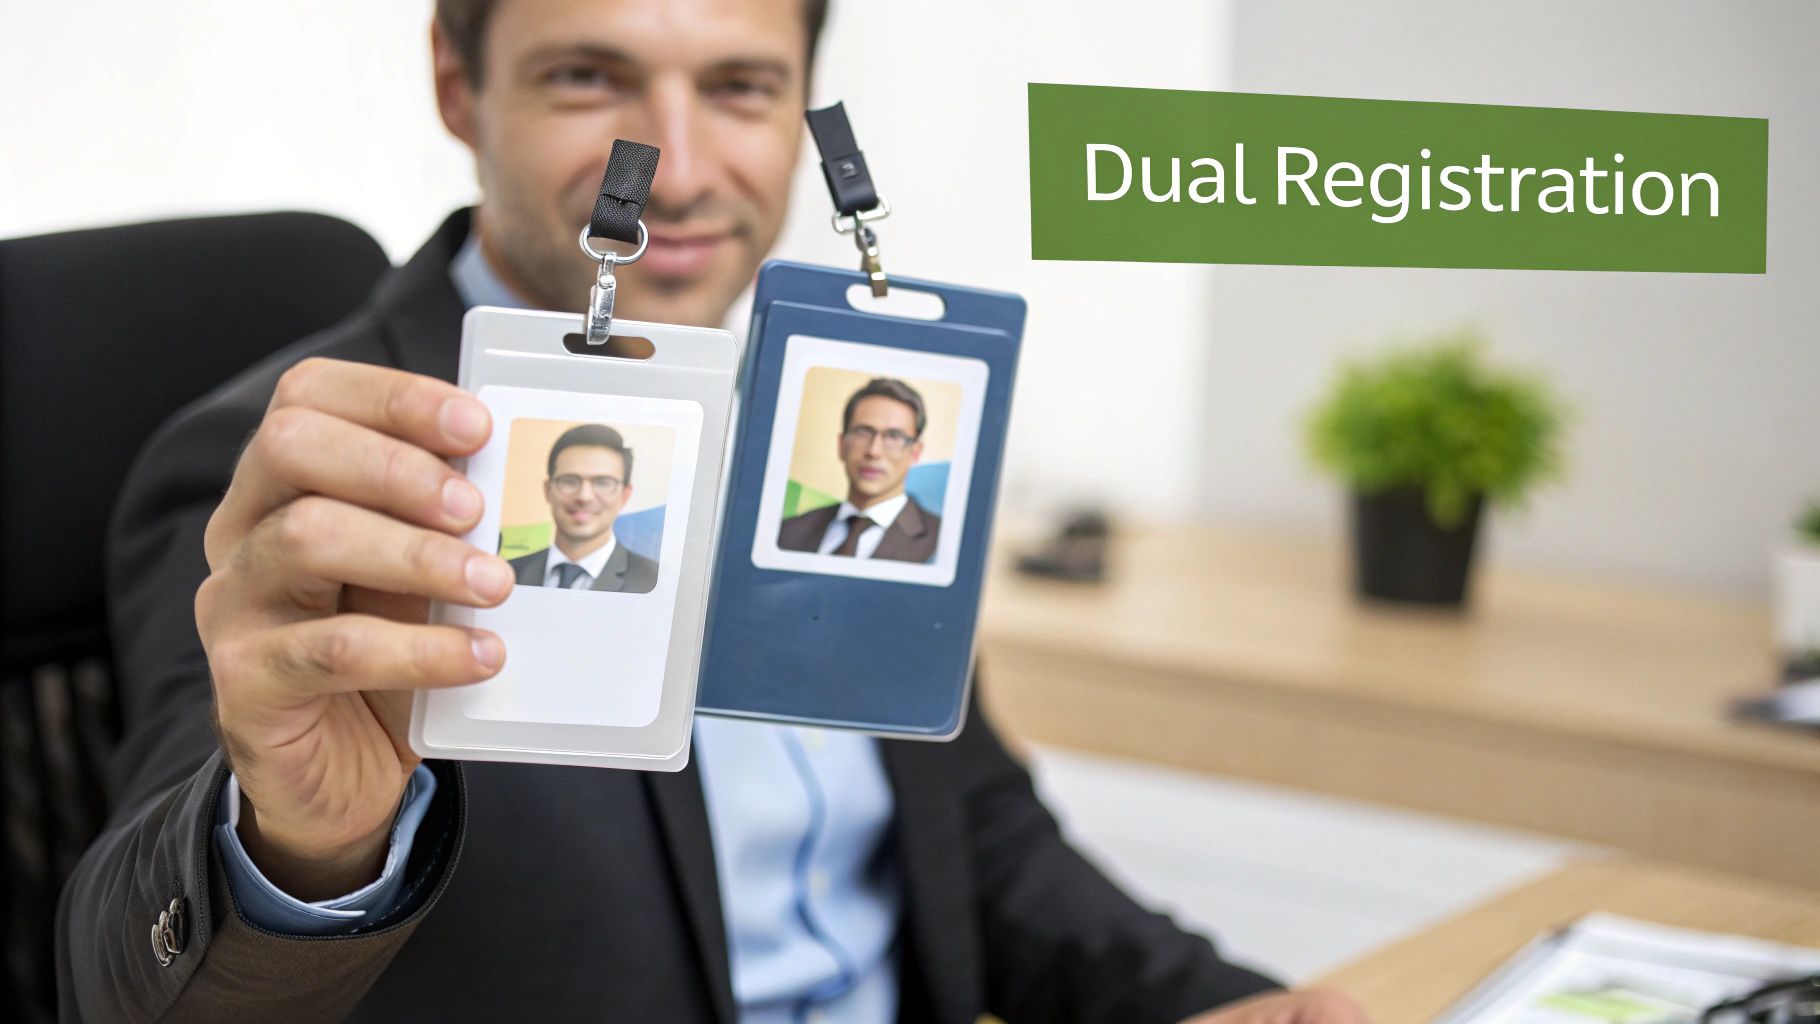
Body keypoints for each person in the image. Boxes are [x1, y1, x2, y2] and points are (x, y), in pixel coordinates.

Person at [55, 1, 1370, 1021]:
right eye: (591, 76)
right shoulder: (293, 477)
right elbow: (128, 986)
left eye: (741, 88)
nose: (674, 171)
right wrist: (299, 849)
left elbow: (976, 831)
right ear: (460, 88)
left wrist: (1219, 1001)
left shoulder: (840, 416)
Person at [778, 377, 940, 563]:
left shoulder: (942, 541)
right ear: (841, 445)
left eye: (894, 437)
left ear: (915, 453)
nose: (874, 451)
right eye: (863, 432)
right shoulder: (787, 533)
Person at [508, 423, 657, 593]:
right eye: (569, 480)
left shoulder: (653, 582)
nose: (584, 497)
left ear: (625, 494)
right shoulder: (506, 574)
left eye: (602, 483)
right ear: (548, 490)